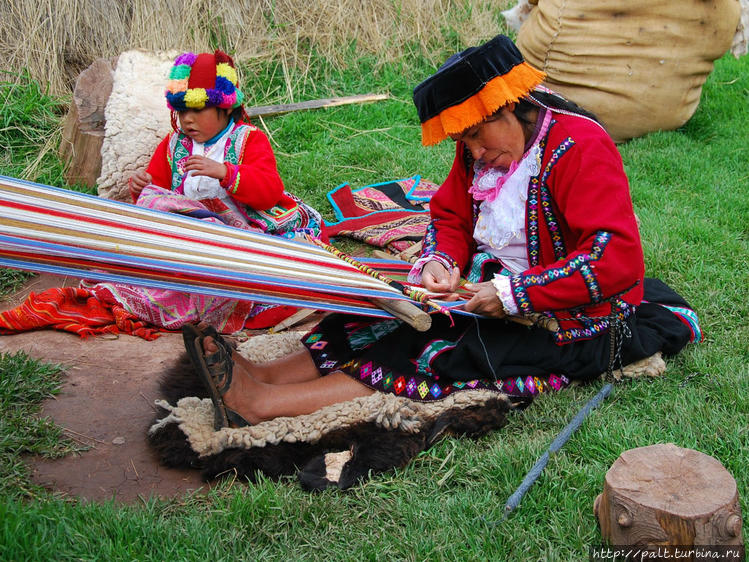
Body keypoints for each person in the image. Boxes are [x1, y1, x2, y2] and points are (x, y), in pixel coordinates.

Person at [184, 35, 700, 430]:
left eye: (476, 135)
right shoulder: (485, 147)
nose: (472, 152)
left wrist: (516, 294)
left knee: (435, 346)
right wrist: (441, 263)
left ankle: (262, 405)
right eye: (463, 140)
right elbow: (451, 217)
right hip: (498, 282)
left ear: (507, 106)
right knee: (382, 312)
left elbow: (615, 259)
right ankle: (263, 374)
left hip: (575, 319)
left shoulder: (579, 148)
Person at [85, 50, 322, 333]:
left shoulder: (248, 140)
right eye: (182, 111)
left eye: (198, 110)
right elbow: (159, 194)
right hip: (190, 236)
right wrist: (142, 187)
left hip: (238, 232)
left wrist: (226, 173)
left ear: (225, 108)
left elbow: (270, 191)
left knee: (247, 271)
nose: (188, 120)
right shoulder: (174, 145)